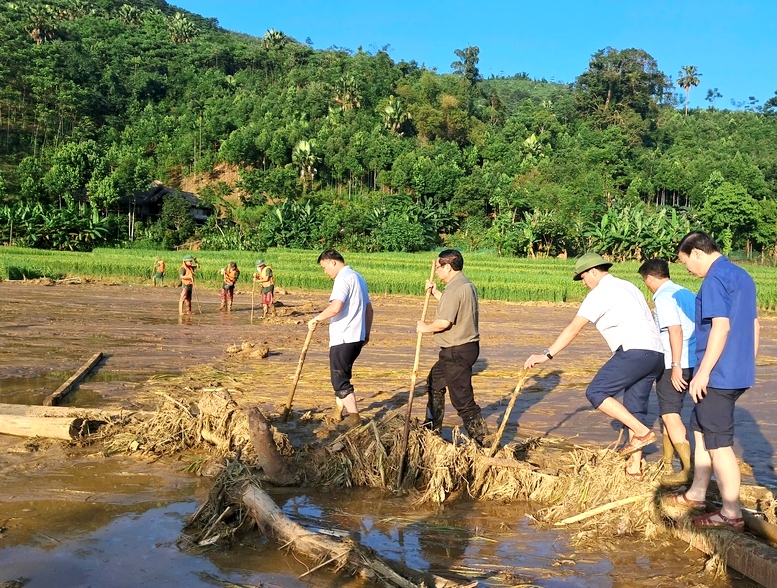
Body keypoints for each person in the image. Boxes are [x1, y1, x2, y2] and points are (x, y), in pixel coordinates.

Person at [524, 252, 665, 479]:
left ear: (593, 271)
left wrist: (547, 355)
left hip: (634, 350)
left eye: (582, 277)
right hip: (656, 354)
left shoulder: (600, 292)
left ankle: (642, 432)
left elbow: (574, 328)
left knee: (596, 391)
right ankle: (635, 468)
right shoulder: (628, 286)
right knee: (635, 408)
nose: (583, 283)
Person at [665, 231, 759, 531]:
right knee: (700, 429)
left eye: (685, 263)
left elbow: (721, 326)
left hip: (718, 374)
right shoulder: (742, 275)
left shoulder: (715, 279)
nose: (688, 270)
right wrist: (747, 363)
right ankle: (697, 493)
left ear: (696, 253)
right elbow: (755, 324)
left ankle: (731, 514)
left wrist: (703, 372)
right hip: (736, 371)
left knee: (719, 444)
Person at [417, 249, 489, 446]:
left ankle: (480, 440)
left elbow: (444, 322)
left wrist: (425, 328)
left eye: (439, 267)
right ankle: (431, 428)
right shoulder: (464, 284)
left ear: (448, 267)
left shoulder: (455, 288)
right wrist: (435, 293)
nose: (437, 271)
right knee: (434, 382)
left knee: (462, 399)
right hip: (462, 349)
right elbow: (453, 306)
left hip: (456, 350)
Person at [639, 258, 697, 486]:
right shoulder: (686, 293)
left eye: (646, 282)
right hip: (696, 360)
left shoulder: (663, 297)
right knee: (667, 411)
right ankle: (666, 461)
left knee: (671, 414)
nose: (647, 286)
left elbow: (675, 330)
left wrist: (675, 366)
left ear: (650, 278)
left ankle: (687, 470)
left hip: (676, 362)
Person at [308, 249, 373, 428]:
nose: (325, 272)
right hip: (357, 337)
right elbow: (369, 309)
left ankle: (355, 420)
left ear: (333, 262)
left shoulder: (342, 278)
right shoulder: (359, 278)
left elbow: (336, 307)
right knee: (342, 374)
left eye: (324, 267)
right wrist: (366, 333)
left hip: (343, 337)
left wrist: (316, 318)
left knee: (340, 382)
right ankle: (338, 413)